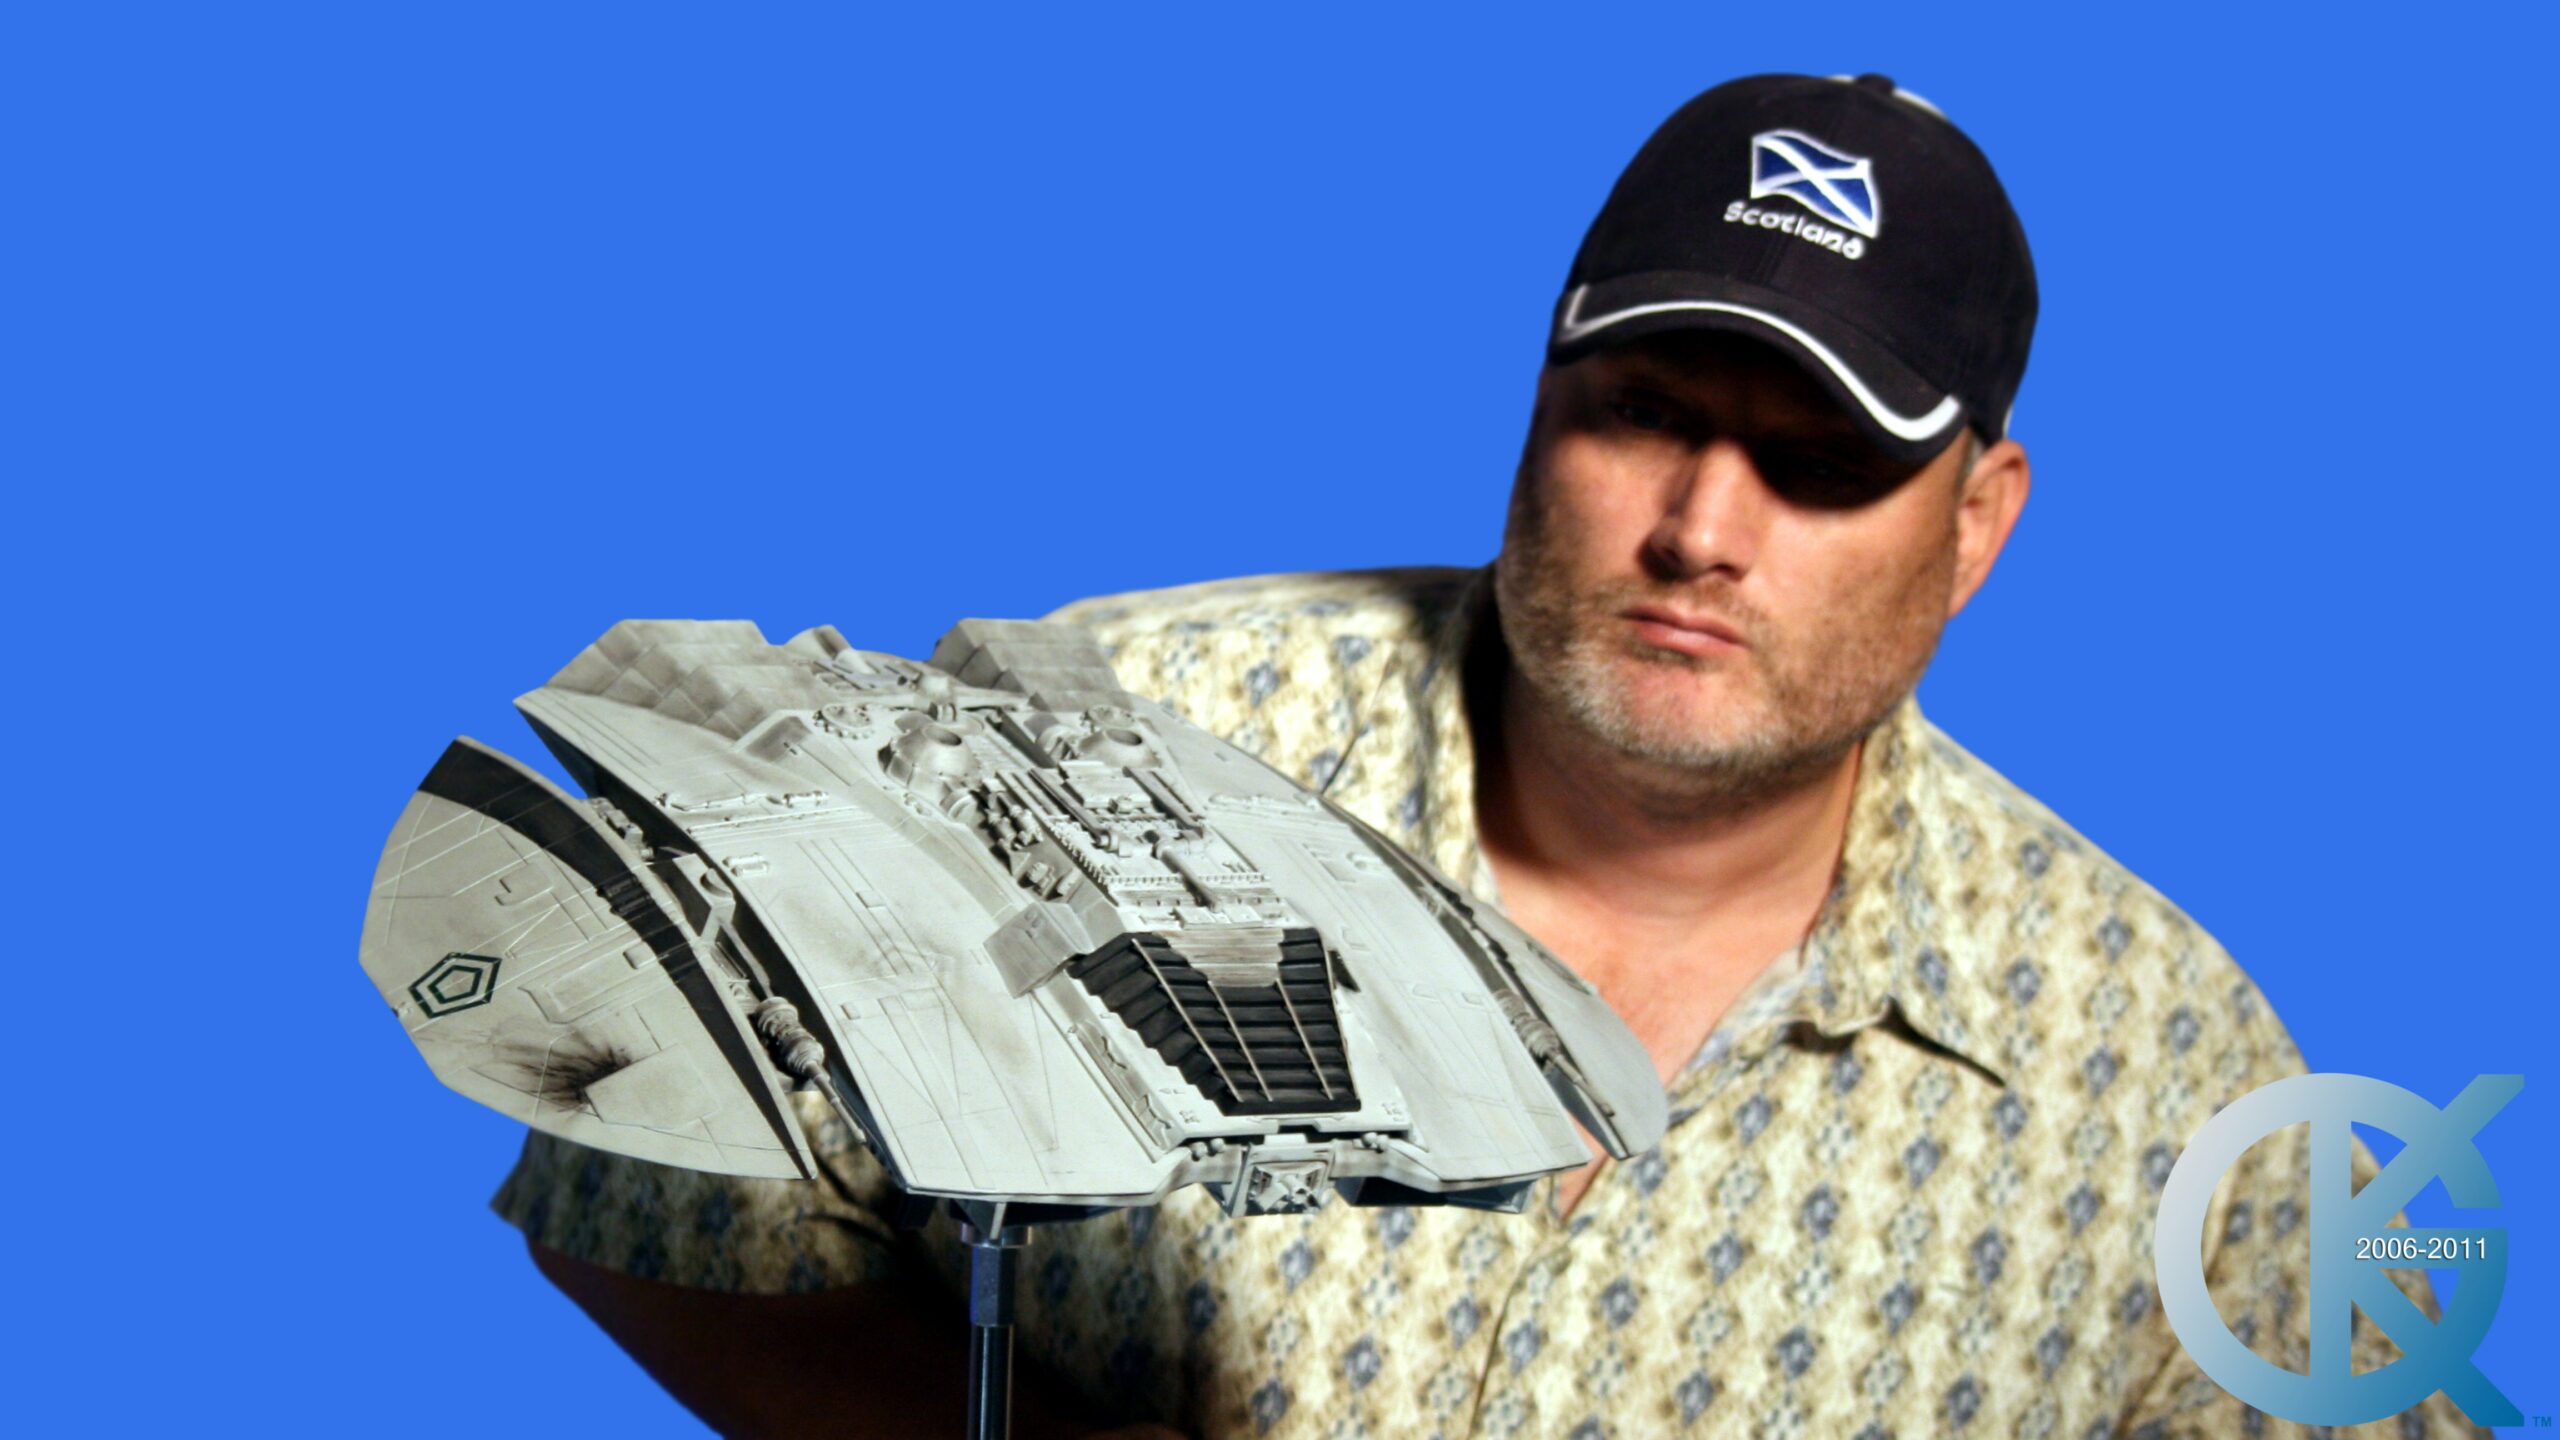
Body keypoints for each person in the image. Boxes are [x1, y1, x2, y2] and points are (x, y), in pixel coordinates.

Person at [492, 74, 2486, 1438]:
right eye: (1641, 411)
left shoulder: (2165, 1071)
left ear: (1976, 526)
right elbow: (636, 1193)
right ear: (1539, 397)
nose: (1699, 527)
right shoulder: (1081, 742)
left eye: (1815, 464)